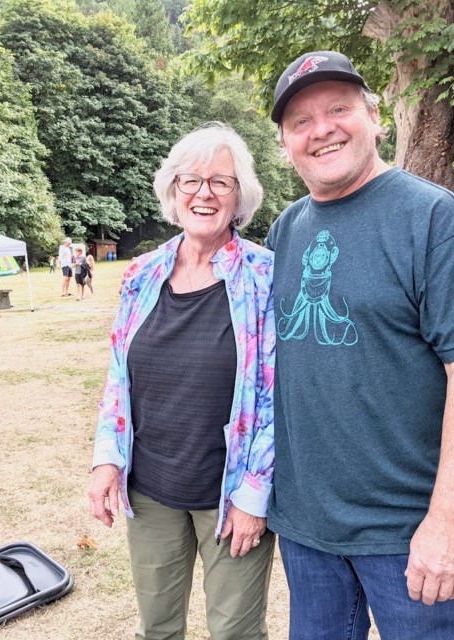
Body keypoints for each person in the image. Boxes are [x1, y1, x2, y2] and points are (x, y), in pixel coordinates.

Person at [264, 51, 454, 640]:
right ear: (285, 143)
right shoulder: (285, 229)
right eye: (301, 121)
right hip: (308, 531)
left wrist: (448, 522)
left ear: (376, 117)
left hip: (408, 533)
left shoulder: (433, 218)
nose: (321, 129)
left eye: (339, 109)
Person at [88, 122, 276, 640]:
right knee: (158, 629)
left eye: (222, 182)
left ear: (240, 197)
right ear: (173, 190)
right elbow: (118, 378)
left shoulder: (265, 277)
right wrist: (107, 457)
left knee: (235, 632)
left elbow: (277, 397)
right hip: (149, 488)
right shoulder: (141, 274)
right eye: (190, 180)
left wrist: (254, 495)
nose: (204, 193)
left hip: (230, 490)